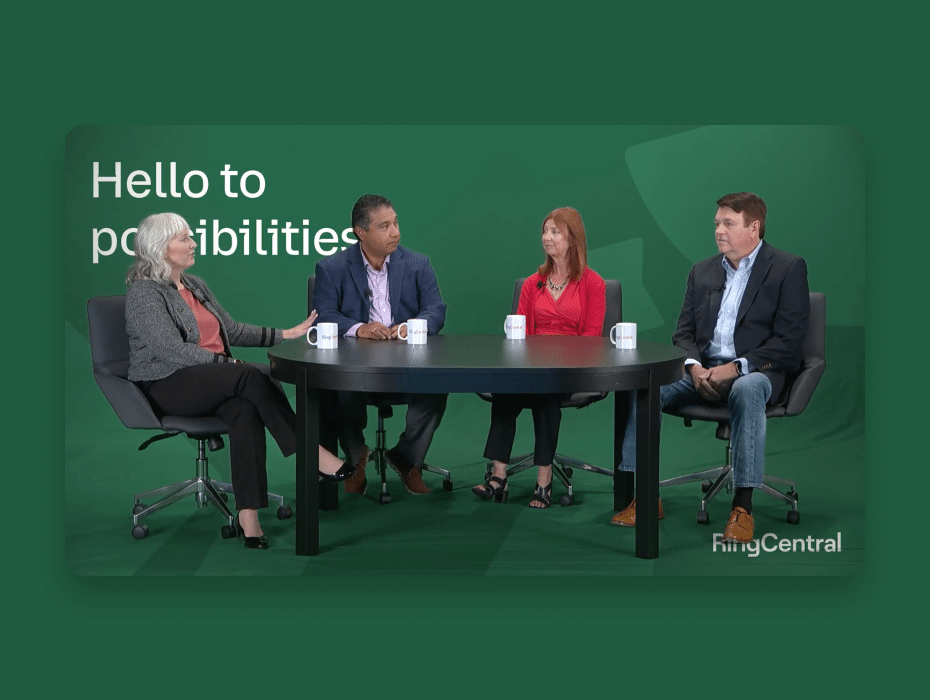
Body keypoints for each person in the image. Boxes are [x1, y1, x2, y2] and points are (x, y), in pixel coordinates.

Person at [126, 213, 359, 550]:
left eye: (191, 236)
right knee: (252, 374)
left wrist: (285, 333)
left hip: (215, 379)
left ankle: (249, 520)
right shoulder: (145, 294)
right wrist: (226, 363)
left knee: (244, 410)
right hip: (167, 383)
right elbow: (170, 350)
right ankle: (311, 452)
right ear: (160, 249)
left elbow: (231, 330)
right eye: (184, 239)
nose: (193, 243)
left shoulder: (195, 285)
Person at [611, 192, 809, 543]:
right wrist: (693, 367)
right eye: (717, 223)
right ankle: (644, 496)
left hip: (755, 372)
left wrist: (735, 368)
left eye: (728, 223)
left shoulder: (787, 268)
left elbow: (789, 344)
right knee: (645, 383)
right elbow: (683, 332)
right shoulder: (701, 271)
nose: (719, 230)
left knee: (747, 389)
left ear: (754, 228)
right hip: (700, 372)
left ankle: (743, 506)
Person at [313, 194, 448, 496]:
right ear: (361, 232)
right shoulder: (331, 268)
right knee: (340, 389)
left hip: (408, 364)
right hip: (357, 367)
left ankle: (406, 457)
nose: (395, 232)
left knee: (437, 386)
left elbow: (435, 310)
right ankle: (355, 454)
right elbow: (323, 317)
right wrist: (360, 329)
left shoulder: (416, 264)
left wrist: (408, 327)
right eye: (384, 226)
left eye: (396, 222)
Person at [472, 207, 605, 508]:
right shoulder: (533, 283)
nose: (547, 237)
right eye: (545, 231)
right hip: (530, 365)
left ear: (573, 238)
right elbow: (520, 333)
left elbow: (592, 337)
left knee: (547, 394)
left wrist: (557, 359)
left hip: (570, 368)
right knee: (505, 390)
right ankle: (499, 475)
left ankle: (543, 479)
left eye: (555, 232)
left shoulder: (592, 284)